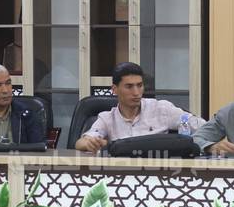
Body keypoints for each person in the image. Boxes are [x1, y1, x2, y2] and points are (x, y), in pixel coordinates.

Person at [74, 62, 206, 152]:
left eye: (139, 85)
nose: (136, 92)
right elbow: (81, 142)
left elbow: (202, 127)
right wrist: (90, 143)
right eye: (129, 87)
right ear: (114, 89)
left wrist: (208, 145)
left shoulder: (161, 109)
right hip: (122, 174)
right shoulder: (107, 119)